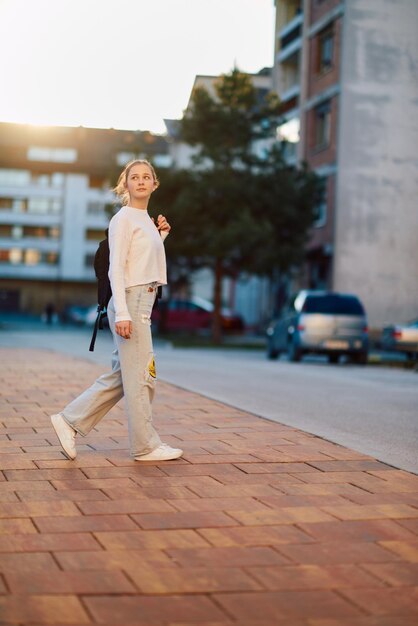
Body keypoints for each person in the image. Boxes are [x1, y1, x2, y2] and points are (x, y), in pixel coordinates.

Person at [50, 159, 183, 462]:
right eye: (133, 177)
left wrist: (160, 237)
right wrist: (122, 313)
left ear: (154, 183)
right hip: (131, 301)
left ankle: (69, 421)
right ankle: (146, 446)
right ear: (125, 185)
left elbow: (143, 262)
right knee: (143, 378)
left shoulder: (144, 220)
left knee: (125, 377)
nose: (140, 181)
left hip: (140, 300)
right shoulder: (123, 219)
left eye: (146, 177)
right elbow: (116, 269)